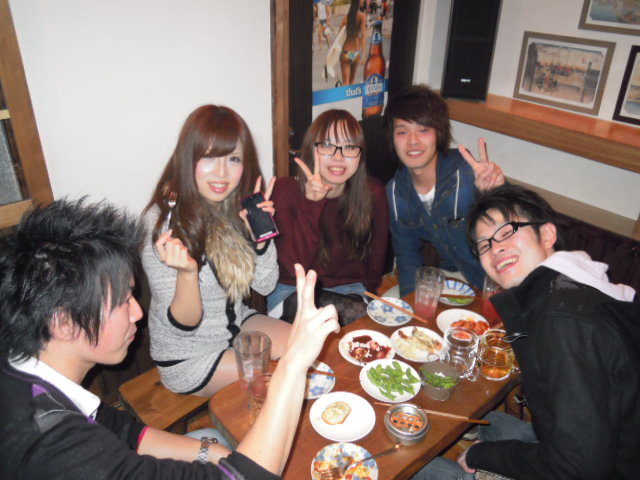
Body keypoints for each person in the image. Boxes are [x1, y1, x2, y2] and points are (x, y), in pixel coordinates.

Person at [0, 198, 341, 478]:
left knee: (212, 438)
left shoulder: (24, 368)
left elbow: (129, 433)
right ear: (62, 322)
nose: (138, 313)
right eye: (123, 302)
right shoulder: (56, 447)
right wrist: (294, 364)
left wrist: (214, 454)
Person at [414, 184, 639, 479]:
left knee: (430, 469)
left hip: (605, 469)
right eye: (484, 244)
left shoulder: (565, 320)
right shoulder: (576, 282)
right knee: (492, 422)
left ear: (547, 234)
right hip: (605, 443)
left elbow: (578, 467)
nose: (495, 248)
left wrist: (484, 456)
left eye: (508, 231)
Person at [142, 105, 290, 396]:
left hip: (236, 326)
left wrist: (260, 240)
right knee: (284, 380)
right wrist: (187, 274)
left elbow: (265, 285)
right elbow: (184, 325)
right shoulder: (163, 222)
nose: (222, 173)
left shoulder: (234, 208)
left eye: (233, 159)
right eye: (209, 157)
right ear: (188, 158)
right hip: (190, 356)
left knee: (305, 347)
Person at [267, 109, 389, 325]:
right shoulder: (285, 190)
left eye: (349, 147)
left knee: (372, 322)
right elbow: (294, 268)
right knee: (359, 318)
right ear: (311, 148)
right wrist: (312, 204)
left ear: (360, 155)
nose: (338, 157)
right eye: (327, 145)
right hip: (293, 291)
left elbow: (376, 258)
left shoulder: (372, 192)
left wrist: (368, 293)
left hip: (351, 290)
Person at [383, 84, 505, 296]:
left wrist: (497, 194)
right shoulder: (396, 193)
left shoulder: (468, 175)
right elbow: (407, 255)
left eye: (423, 130)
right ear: (392, 138)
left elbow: (518, 226)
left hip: (498, 282)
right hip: (454, 279)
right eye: (402, 131)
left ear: (438, 134)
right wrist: (411, 303)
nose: (413, 141)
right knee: (390, 303)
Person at [338, 0, 366, 86]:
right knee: (352, 81)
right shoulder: (362, 16)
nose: (363, 1)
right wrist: (364, 55)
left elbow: (339, 34)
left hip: (345, 52)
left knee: (345, 83)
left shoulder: (346, 16)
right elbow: (363, 36)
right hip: (355, 53)